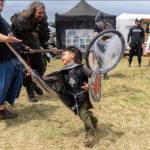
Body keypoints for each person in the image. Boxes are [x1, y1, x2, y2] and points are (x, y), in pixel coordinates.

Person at [43, 46, 98, 147]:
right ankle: (94, 120)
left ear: (72, 55)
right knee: (82, 112)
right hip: (72, 98)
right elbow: (49, 79)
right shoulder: (63, 71)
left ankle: (90, 132)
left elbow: (95, 77)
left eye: (64, 54)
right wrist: (35, 75)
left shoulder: (82, 68)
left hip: (81, 97)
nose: (61, 56)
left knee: (83, 114)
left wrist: (90, 85)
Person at [11, 2, 58, 102]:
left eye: (43, 13)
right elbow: (15, 37)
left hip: (35, 49)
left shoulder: (43, 21)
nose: (42, 15)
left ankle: (35, 84)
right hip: (22, 49)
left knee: (41, 67)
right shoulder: (21, 20)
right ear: (33, 12)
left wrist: (50, 47)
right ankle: (30, 91)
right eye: (39, 13)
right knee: (28, 71)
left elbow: (45, 37)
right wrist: (24, 47)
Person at [0, 0, 23, 119]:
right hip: (2, 60)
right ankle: (1, 112)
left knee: (6, 86)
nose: (1, 5)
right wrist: (7, 39)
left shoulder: (1, 18)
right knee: (1, 86)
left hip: (7, 57)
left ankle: (2, 109)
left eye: (2, 3)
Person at [94, 12, 113, 80]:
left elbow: (95, 36)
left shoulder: (97, 24)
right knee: (103, 59)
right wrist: (104, 39)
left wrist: (99, 41)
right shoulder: (108, 24)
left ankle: (103, 75)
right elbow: (111, 34)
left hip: (100, 44)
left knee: (100, 60)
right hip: (107, 44)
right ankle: (104, 74)